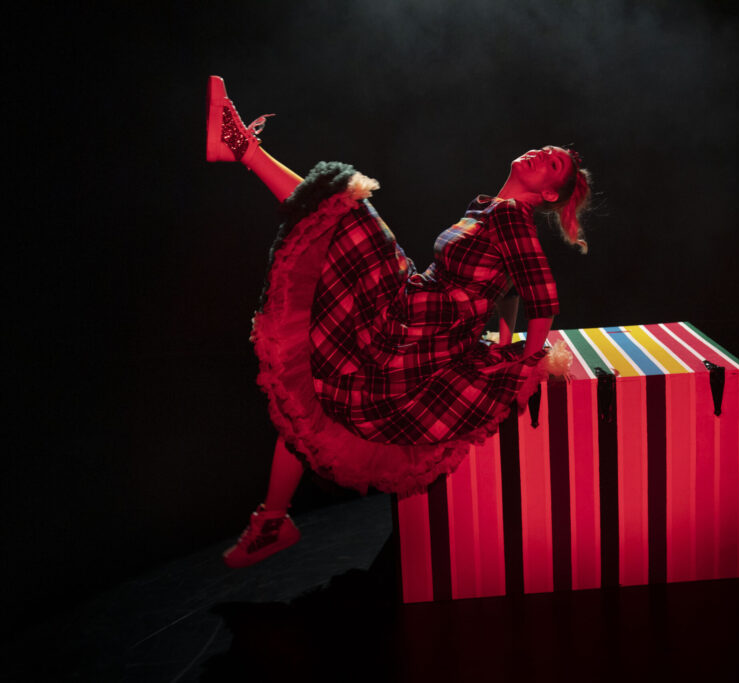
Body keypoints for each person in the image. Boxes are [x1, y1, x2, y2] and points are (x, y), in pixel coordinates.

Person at [206, 76, 591, 568]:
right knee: (310, 400)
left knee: (347, 207)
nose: (541, 154)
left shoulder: (512, 217)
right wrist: (503, 336)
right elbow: (509, 286)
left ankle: (241, 148)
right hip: (412, 307)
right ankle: (272, 520)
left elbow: (543, 298)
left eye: (553, 163)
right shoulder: (490, 208)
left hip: (418, 330)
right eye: (545, 149)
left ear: (551, 192)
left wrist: (524, 363)